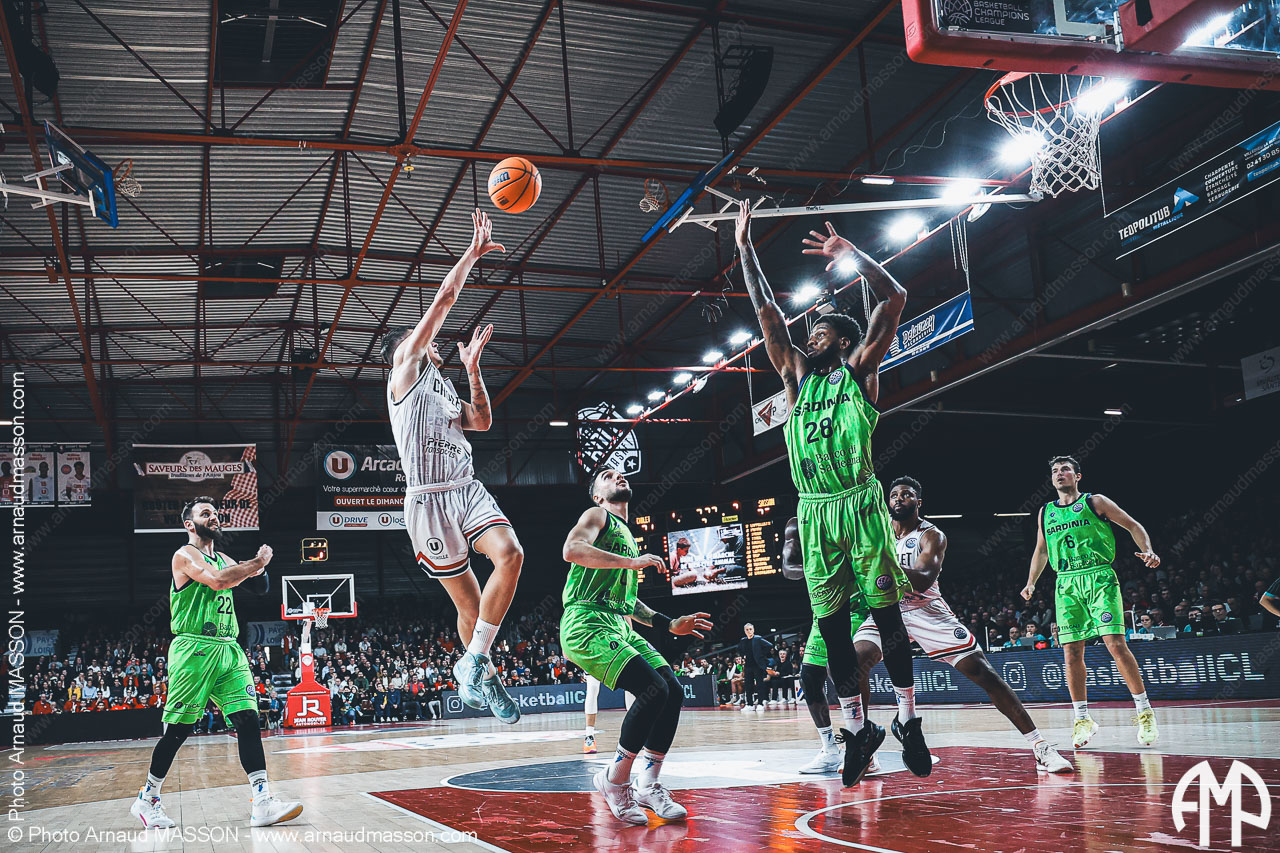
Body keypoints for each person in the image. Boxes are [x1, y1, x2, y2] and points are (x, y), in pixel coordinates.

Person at [735, 202, 929, 786]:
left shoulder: (861, 370)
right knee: (833, 628)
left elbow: (894, 297)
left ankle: (908, 719)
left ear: (843, 340)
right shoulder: (795, 378)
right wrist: (744, 249)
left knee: (886, 614)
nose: (810, 336)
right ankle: (858, 728)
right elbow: (768, 315)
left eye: (821, 331)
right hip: (815, 512)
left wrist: (853, 255)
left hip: (859, 502)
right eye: (811, 331)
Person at [380, 209, 523, 725]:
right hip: (427, 500)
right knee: (467, 606)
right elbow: (443, 300)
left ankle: (475, 661)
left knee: (511, 554)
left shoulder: (441, 387)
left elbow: (481, 421)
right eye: (422, 339)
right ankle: (487, 675)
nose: (433, 341)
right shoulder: (404, 373)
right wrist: (472, 253)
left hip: (466, 486)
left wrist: (473, 370)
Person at [854, 477, 1072, 773]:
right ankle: (864, 745)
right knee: (855, 661)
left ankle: (1040, 746)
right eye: (893, 495)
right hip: (889, 609)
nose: (898, 499)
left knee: (984, 673)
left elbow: (922, 579)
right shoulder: (879, 534)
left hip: (927, 611)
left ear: (918, 502)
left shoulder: (932, 535)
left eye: (906, 494)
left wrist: (882, 566)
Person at [131, 497, 302, 830]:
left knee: (248, 720)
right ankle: (147, 797)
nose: (214, 517)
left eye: (216, 513)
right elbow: (220, 581)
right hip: (193, 648)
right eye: (206, 513)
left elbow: (259, 588)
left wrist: (260, 569)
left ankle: (263, 801)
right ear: (190, 524)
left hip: (228, 648)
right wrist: (256, 562)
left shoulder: (224, 559)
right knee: (179, 730)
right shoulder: (184, 555)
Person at [560, 467, 712, 824]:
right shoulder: (597, 515)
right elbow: (571, 549)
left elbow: (630, 603)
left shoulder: (627, 535)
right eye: (607, 475)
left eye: (620, 473)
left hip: (617, 622)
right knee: (652, 689)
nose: (618, 476)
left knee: (672, 690)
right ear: (597, 495)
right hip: (586, 620)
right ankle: (614, 780)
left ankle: (648, 784)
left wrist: (668, 623)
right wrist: (631, 562)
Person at [1021, 455, 1160, 749]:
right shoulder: (1045, 512)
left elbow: (1133, 525)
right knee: (1071, 652)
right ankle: (1082, 718)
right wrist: (1031, 581)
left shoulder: (1095, 502)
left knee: (1115, 644)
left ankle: (1145, 712)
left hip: (1099, 577)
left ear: (1077, 476)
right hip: (1066, 583)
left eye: (1065, 469)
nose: (1059, 473)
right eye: (1055, 471)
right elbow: (1041, 550)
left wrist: (1148, 549)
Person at [737, 623, 772, 712]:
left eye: (750, 629)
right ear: (744, 631)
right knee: (748, 686)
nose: (749, 631)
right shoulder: (743, 640)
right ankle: (749, 704)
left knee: (759, 685)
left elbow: (769, 645)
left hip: (757, 665)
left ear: (753, 630)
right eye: (747, 630)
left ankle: (760, 703)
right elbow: (739, 649)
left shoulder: (758, 638)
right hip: (748, 665)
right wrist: (743, 656)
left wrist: (761, 655)